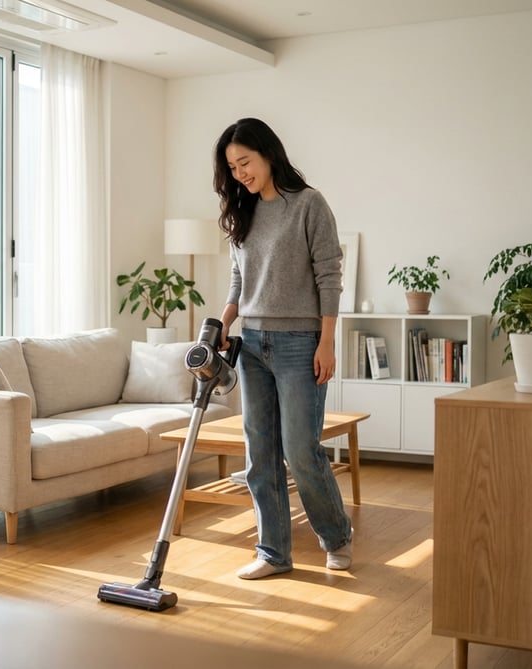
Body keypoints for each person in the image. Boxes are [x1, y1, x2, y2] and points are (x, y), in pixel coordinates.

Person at [213, 117, 352, 580]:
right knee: (260, 453)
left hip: (299, 343)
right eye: (232, 168)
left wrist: (326, 343)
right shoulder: (242, 212)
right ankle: (273, 551)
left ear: (269, 154)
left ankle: (335, 536)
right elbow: (238, 279)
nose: (240, 174)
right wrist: (222, 323)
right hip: (250, 343)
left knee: (300, 449)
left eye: (245, 162)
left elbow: (328, 277)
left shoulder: (309, 204)